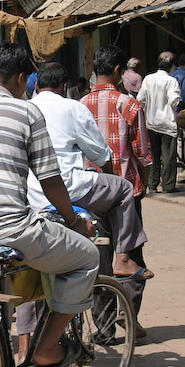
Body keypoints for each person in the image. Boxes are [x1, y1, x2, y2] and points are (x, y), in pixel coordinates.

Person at [0, 42, 99, 367]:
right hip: (11, 231)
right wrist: (75, 222)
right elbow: (51, 181)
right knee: (88, 257)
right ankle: (46, 348)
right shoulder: (27, 112)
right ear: (22, 78)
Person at [33, 62, 150, 278]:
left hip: (31, 194)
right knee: (123, 188)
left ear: (37, 86)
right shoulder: (73, 107)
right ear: (64, 85)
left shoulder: (26, 108)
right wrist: (110, 180)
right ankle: (123, 258)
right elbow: (101, 155)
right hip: (68, 188)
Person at [82, 45, 154, 336]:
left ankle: (105, 329)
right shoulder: (130, 105)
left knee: (100, 262)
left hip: (90, 193)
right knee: (132, 259)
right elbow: (143, 154)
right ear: (117, 71)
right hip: (127, 193)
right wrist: (144, 183)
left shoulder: (79, 104)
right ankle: (128, 313)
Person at [137, 51, 181, 193]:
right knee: (168, 157)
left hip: (151, 123)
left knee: (153, 156)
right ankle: (168, 185)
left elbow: (140, 100)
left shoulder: (148, 79)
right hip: (167, 124)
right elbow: (174, 100)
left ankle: (152, 184)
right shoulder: (171, 81)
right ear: (171, 66)